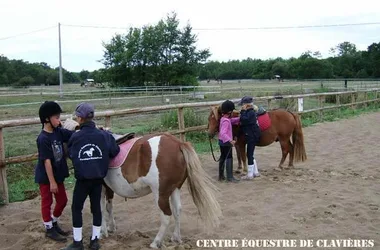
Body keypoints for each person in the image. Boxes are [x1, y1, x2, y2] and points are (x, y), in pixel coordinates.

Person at [63, 102, 120, 250]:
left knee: (77, 208)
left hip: (82, 181)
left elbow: (71, 154)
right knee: (96, 209)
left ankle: (77, 242)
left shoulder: (76, 137)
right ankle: (95, 240)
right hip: (98, 180)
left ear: (80, 119)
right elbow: (114, 151)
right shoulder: (104, 135)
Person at [35, 101, 75, 242]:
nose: (60, 120)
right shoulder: (43, 138)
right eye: (57, 117)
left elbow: (72, 135)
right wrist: (52, 182)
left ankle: (54, 221)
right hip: (46, 177)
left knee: (62, 200)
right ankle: (48, 228)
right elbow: (46, 161)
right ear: (47, 119)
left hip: (57, 175)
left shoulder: (58, 131)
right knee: (47, 201)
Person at [239, 96, 261, 180]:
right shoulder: (250, 112)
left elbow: (244, 120)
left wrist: (243, 111)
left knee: (249, 154)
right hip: (252, 134)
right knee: (250, 154)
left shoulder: (250, 113)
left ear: (246, 105)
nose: (242, 106)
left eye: (243, 105)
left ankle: (250, 174)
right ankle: (255, 172)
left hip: (252, 135)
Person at [218, 100, 240, 183]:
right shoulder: (226, 121)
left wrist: (239, 119)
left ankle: (221, 176)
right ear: (230, 111)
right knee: (229, 157)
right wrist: (230, 140)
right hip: (226, 143)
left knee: (223, 157)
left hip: (221, 142)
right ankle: (230, 177)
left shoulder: (223, 119)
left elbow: (232, 121)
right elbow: (223, 133)